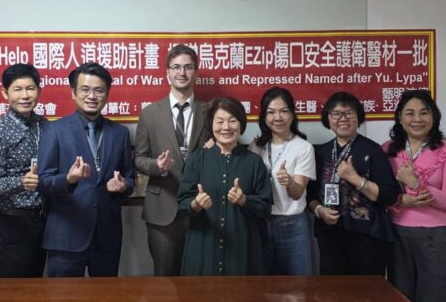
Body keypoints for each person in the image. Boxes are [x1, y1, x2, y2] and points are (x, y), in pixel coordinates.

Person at [38, 62, 134, 277]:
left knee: (106, 297)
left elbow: (130, 179)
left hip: (106, 237)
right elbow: (43, 182)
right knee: (63, 298)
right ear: (73, 93)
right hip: (66, 236)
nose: (92, 96)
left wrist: (122, 186)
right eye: (85, 89)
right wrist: (68, 179)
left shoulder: (120, 133)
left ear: (107, 95)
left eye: (99, 90)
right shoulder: (54, 130)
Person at [382, 89, 446, 302]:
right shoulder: (387, 150)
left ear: (434, 116)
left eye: (424, 112)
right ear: (400, 118)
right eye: (410, 113)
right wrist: (401, 201)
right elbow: (383, 195)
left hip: (438, 236)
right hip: (398, 234)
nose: (417, 119)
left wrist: (418, 183)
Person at [134, 44, 210, 276]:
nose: (182, 72)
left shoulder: (210, 111)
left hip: (202, 207)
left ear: (196, 72)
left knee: (199, 277)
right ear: (167, 72)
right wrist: (156, 166)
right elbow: (139, 159)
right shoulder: (150, 114)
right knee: (164, 278)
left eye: (188, 67)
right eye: (176, 67)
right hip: (162, 209)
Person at [306, 91, 400, 276]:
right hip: (330, 236)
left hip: (367, 238)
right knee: (333, 292)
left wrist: (355, 179)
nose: (343, 119)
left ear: (358, 117)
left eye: (349, 113)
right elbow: (309, 195)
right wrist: (319, 210)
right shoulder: (320, 152)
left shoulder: (373, 150)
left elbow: (390, 196)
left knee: (366, 292)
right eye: (336, 114)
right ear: (328, 119)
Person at [177, 97, 272, 276]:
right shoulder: (196, 159)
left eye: (232, 121)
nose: (226, 127)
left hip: (242, 251)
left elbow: (266, 207)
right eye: (220, 121)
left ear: (241, 124)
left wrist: (244, 200)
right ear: (211, 125)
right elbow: (182, 202)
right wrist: (195, 204)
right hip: (203, 248)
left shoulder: (254, 162)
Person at [0, 63, 47, 278]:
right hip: (11, 224)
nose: (25, 96)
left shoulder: (46, 126)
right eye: (17, 89)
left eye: (30, 88)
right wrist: (21, 182)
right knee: (11, 290)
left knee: (37, 287)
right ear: (5, 93)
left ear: (39, 91)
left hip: (43, 220)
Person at [248, 87, 315, 275]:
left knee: (298, 286)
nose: (277, 117)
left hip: (292, 225)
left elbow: (297, 193)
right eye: (271, 112)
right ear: (264, 117)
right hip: (260, 222)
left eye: (283, 111)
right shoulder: (256, 146)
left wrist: (289, 183)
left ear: (292, 114)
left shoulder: (303, 147)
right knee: (263, 286)